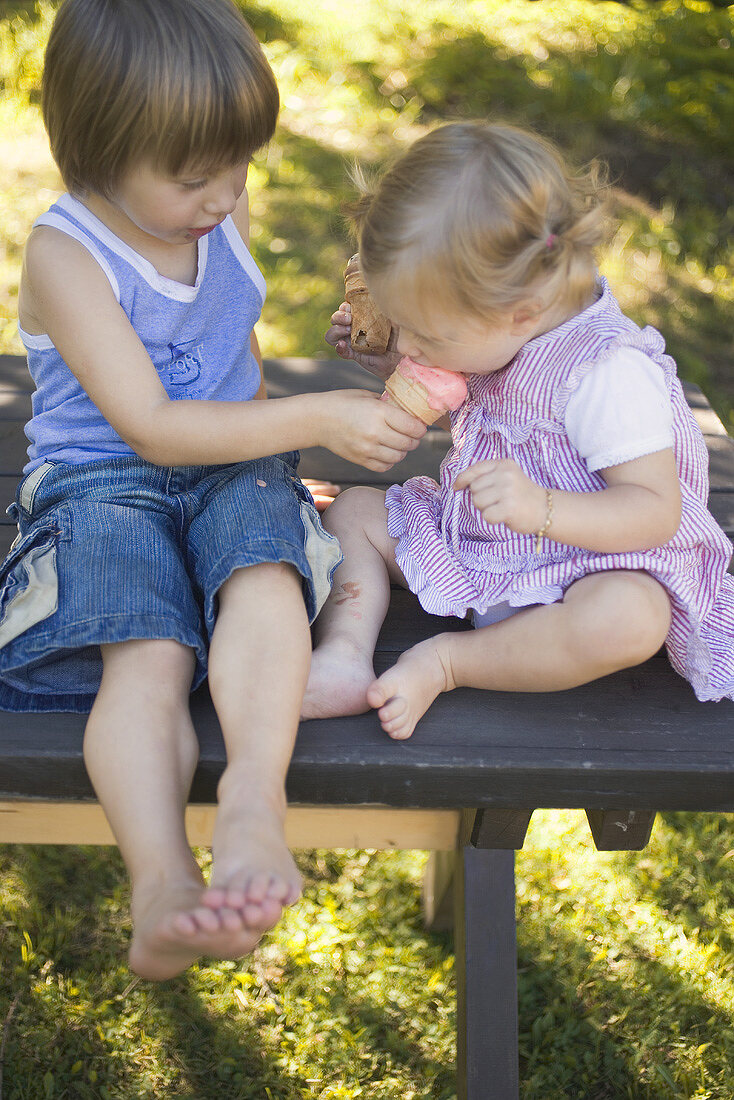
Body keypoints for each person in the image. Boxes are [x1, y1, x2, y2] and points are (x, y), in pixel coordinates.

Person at [0, 0, 426, 981]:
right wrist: (315, 419)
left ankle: (251, 806)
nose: (225, 194)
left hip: (234, 460)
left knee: (265, 579)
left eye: (238, 165)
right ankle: (158, 882)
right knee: (144, 655)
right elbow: (150, 424)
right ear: (96, 154)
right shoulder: (65, 254)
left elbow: (230, 354)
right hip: (106, 485)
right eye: (194, 176)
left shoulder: (215, 208)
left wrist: (324, 378)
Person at [303, 121, 734, 738]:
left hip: (586, 566)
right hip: (486, 542)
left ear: (521, 313)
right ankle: (344, 655)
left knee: (631, 619)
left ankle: (450, 663)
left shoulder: (605, 375)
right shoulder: (501, 332)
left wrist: (543, 509)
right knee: (356, 511)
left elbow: (655, 512)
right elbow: (498, 416)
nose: (413, 344)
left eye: (428, 334)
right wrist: (389, 363)